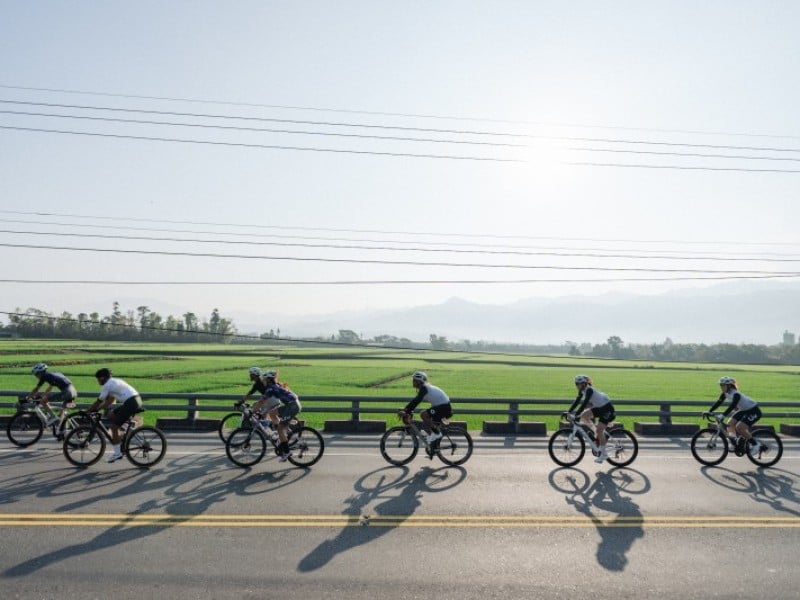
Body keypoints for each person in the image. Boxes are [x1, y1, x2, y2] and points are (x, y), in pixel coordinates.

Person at [87, 368, 143, 463]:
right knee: (111, 414)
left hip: (131, 403)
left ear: (103, 378)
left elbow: (99, 401)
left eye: (98, 379)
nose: (98, 381)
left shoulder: (107, 385)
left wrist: (88, 411)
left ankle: (117, 453)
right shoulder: (114, 382)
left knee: (114, 428)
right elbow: (110, 400)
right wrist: (98, 409)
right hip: (135, 400)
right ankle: (125, 431)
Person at [397, 371, 452, 458]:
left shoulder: (424, 388)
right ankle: (433, 449)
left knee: (423, 414)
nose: (413, 382)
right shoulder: (424, 388)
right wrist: (407, 409)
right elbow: (415, 400)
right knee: (430, 426)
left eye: (414, 380)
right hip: (441, 407)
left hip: (444, 407)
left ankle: (437, 434)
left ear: (419, 381)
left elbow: (416, 401)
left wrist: (406, 410)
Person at [706, 376, 762, 456]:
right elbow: (719, 402)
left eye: (723, 385)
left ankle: (756, 445)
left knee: (740, 427)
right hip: (744, 410)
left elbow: (732, 406)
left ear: (729, 386)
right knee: (730, 424)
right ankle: (734, 442)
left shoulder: (736, 394)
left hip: (753, 410)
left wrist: (723, 415)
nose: (721, 387)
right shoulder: (725, 393)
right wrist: (709, 411)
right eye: (720, 385)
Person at [567, 374, 616, 463]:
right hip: (599, 408)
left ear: (584, 384)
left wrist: (576, 413)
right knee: (583, 416)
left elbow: (584, 403)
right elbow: (577, 401)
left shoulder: (589, 390)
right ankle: (596, 433)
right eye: (576, 384)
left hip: (607, 409)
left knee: (599, 431)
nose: (577, 386)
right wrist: (569, 411)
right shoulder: (583, 390)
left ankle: (604, 454)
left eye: (578, 384)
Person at [259, 370, 302, 462]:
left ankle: (286, 452)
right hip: (291, 405)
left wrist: (253, 411)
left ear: (269, 380)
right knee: (272, 413)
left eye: (265, 379)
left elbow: (261, 401)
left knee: (279, 429)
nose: (263, 380)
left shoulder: (271, 388)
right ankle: (285, 430)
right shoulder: (275, 386)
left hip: (292, 406)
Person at [28, 363, 78, 427]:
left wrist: (28, 397)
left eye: (36, 374)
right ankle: (64, 428)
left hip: (67, 392)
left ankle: (53, 417)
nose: (36, 376)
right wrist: (44, 395)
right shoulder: (52, 375)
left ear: (40, 373)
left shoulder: (44, 376)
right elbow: (50, 388)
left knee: (43, 401)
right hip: (73, 391)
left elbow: (36, 389)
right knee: (62, 413)